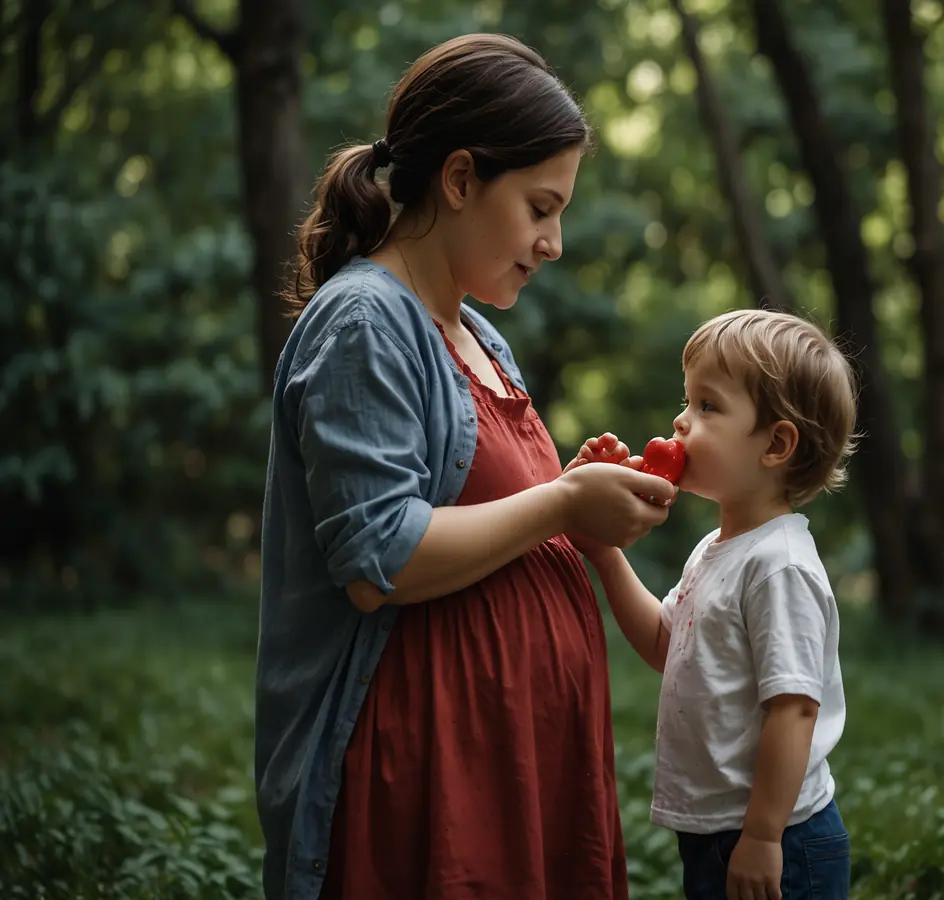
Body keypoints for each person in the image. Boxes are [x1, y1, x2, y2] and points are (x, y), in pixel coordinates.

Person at [253, 33, 679, 900]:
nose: (554, 241)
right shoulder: (367, 322)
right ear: (458, 180)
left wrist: (586, 510)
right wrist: (564, 504)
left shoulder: (480, 334)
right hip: (428, 782)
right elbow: (379, 560)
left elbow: (504, 520)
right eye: (539, 207)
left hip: (515, 770)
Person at [566, 308, 858, 900]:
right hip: (717, 832)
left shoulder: (779, 564)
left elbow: (794, 710)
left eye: (707, 406)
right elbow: (662, 643)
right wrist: (602, 554)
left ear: (776, 444)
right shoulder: (715, 550)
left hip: (782, 838)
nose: (680, 421)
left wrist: (763, 836)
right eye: (686, 401)